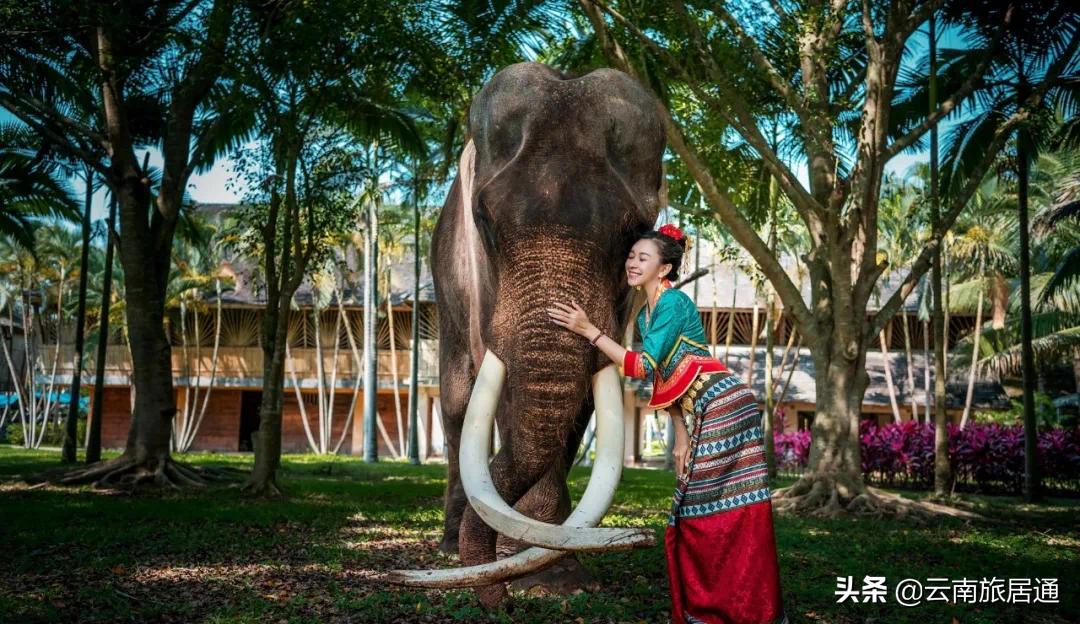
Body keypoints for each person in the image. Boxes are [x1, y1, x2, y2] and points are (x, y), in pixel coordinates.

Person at [547, 223, 788, 624]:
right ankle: (725, 604)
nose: (632, 262)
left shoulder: (674, 304)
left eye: (643, 257)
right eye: (631, 256)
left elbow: (641, 367)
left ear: (664, 269)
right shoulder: (647, 316)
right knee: (701, 510)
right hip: (706, 408)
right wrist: (680, 434)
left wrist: (589, 331)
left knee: (708, 513)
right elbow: (666, 378)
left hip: (722, 402)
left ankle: (736, 609)